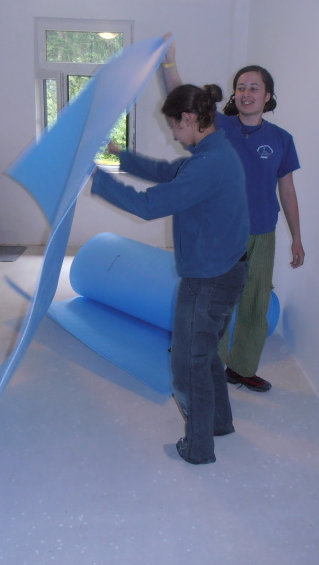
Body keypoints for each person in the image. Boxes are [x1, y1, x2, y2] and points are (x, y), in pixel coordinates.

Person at [91, 83, 249, 465]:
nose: (175, 136)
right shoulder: (215, 151)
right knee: (205, 354)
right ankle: (219, 424)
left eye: (175, 127)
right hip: (227, 269)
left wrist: (96, 179)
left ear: (190, 119)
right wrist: (120, 156)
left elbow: (148, 206)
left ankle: (197, 448)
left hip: (209, 279)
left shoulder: (207, 165)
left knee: (187, 365)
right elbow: (166, 171)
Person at [160, 36, 305, 393]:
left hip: (262, 233)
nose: (245, 93)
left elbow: (286, 189)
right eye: (241, 87)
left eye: (254, 88)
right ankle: (207, 365)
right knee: (214, 304)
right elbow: (182, 99)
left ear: (267, 96)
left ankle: (241, 368)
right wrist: (168, 62)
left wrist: (297, 237)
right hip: (220, 234)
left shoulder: (282, 139)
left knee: (255, 304)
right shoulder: (218, 127)